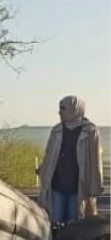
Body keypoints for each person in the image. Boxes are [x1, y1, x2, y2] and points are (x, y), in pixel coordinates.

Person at [38, 95, 104, 224]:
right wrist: (42, 171)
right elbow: (49, 155)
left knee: (73, 223)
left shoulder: (90, 130)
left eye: (63, 108)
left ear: (75, 109)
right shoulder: (56, 130)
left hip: (78, 186)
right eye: (60, 108)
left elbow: (95, 160)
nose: (60, 112)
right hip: (57, 184)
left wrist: (94, 188)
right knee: (55, 222)